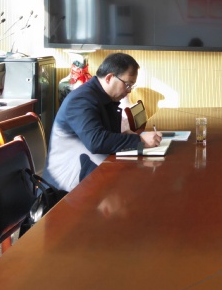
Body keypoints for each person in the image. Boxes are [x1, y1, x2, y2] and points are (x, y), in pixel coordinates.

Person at [44, 53, 161, 192]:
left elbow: (104, 136)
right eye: (127, 85)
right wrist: (140, 140)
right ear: (109, 78)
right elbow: (96, 141)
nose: (129, 91)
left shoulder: (103, 97)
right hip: (67, 189)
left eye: (131, 86)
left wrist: (124, 136)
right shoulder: (81, 100)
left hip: (94, 174)